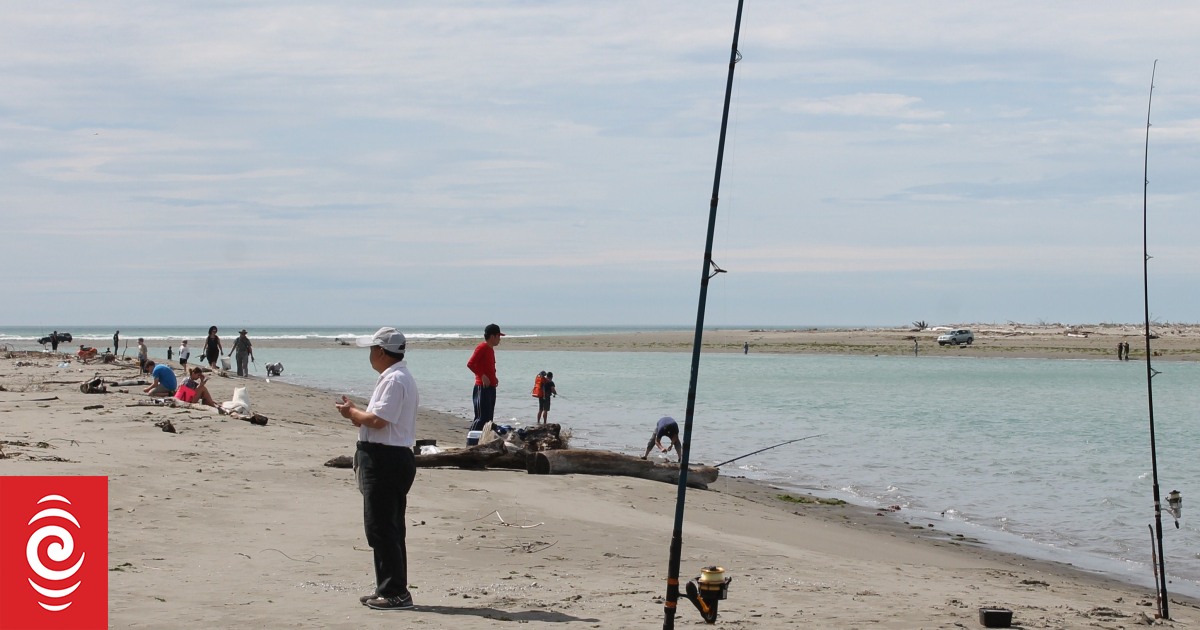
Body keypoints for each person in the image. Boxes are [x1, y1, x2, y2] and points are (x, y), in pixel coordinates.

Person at [333, 327, 418, 611]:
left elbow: (379, 420)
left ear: (381, 352)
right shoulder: (395, 378)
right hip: (387, 457)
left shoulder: (395, 379)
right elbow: (377, 420)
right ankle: (389, 588)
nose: (370, 354)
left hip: (386, 459)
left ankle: (395, 591)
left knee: (382, 527)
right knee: (386, 526)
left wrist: (352, 413)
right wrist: (358, 414)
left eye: (372, 349)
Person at [466, 323, 504, 432]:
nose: (499, 339)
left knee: (489, 419)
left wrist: (494, 377)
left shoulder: (491, 349)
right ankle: (471, 441)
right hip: (481, 388)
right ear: (492, 336)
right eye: (498, 336)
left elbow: (490, 367)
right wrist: (482, 376)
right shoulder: (482, 347)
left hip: (491, 388)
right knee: (481, 418)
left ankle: (483, 442)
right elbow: (470, 363)